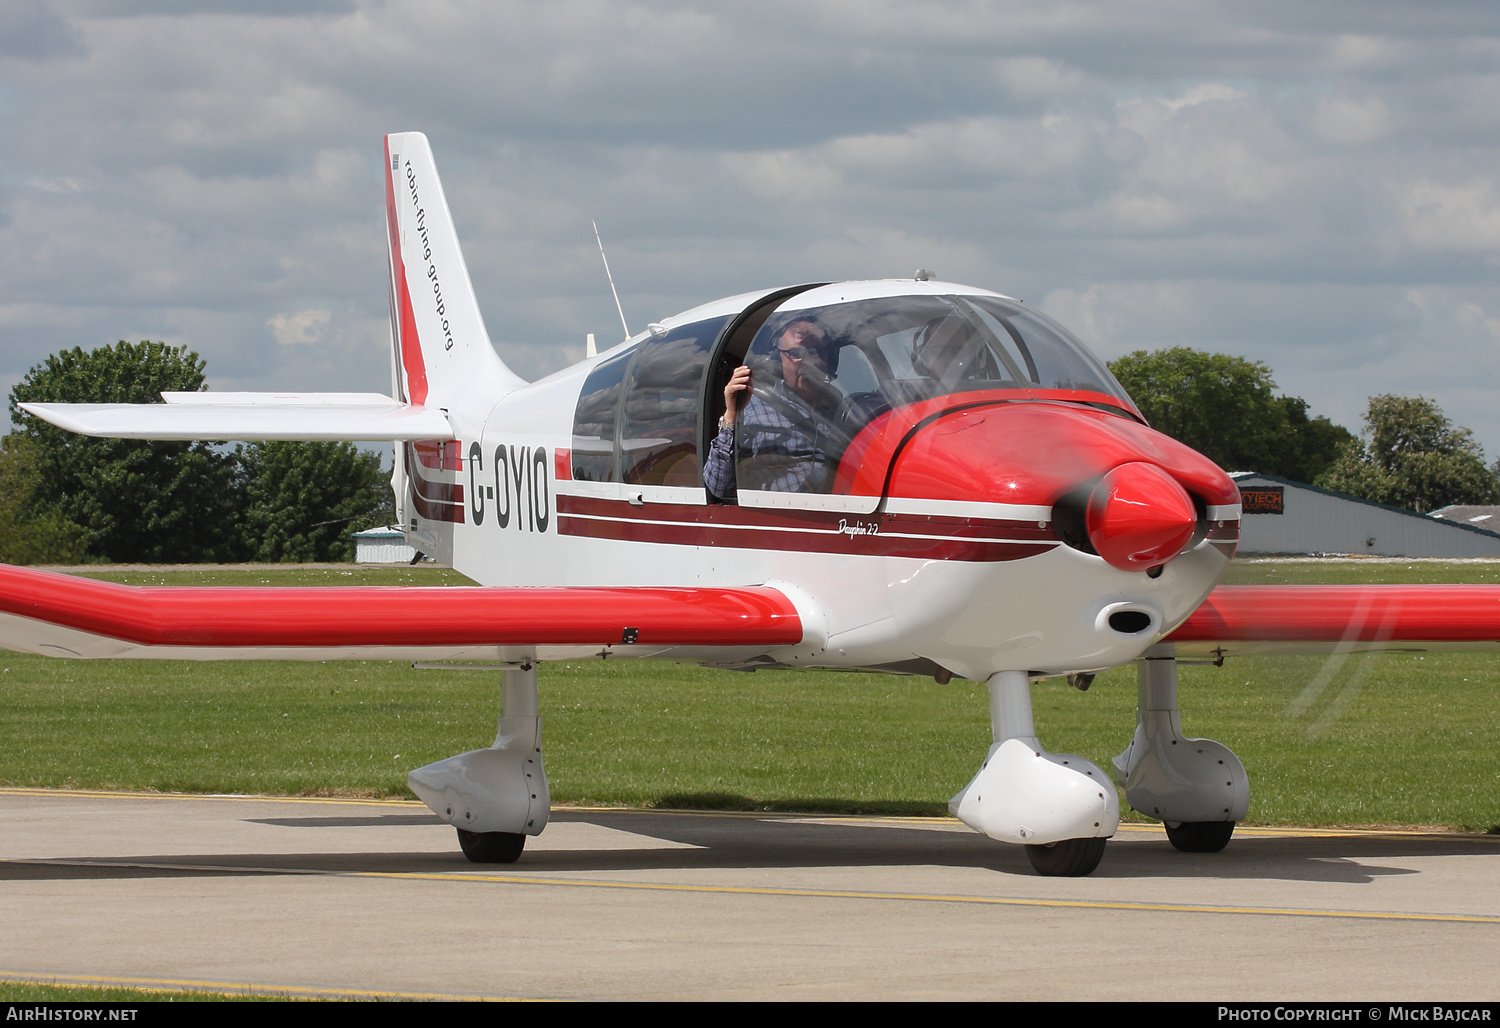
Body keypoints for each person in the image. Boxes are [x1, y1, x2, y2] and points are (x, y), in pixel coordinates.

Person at [703, 320, 843, 500]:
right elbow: (718, 486)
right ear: (778, 359)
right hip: (783, 519)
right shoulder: (752, 409)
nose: (809, 361)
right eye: (796, 353)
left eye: (816, 351)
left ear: (829, 358)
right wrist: (731, 416)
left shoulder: (841, 409)